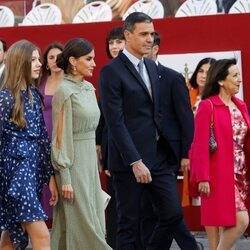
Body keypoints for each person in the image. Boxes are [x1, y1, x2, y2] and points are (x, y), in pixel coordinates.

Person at [99, 12, 199, 250]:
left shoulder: (153, 69)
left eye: (151, 34)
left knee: (173, 213)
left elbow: (158, 115)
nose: (149, 39)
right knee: (129, 225)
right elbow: (115, 122)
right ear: (127, 35)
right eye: (143, 34)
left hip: (159, 157)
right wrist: (135, 161)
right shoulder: (111, 72)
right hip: (128, 162)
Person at [50, 38, 111, 250]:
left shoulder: (88, 88)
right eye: (89, 59)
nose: (94, 63)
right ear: (73, 61)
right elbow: (60, 138)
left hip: (90, 165)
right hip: (72, 167)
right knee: (83, 225)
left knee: (95, 221)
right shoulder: (64, 92)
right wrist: (64, 176)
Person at [142, 31, 198, 250]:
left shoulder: (173, 78)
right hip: (140, 154)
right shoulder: (130, 77)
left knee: (170, 210)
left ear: (155, 49)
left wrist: (185, 154)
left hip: (167, 154)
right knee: (150, 211)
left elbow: (185, 119)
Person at [0, 40, 58, 250]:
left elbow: (43, 139)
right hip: (14, 175)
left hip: (31, 172)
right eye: (32, 59)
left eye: (38, 59)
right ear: (19, 62)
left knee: (12, 237)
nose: (38, 64)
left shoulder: (34, 96)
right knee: (42, 236)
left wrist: (50, 178)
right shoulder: (5, 98)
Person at [189, 58, 250, 250]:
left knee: (229, 224)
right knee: (241, 221)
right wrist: (203, 178)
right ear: (221, 81)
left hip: (241, 173)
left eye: (239, 75)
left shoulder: (240, 105)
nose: (239, 79)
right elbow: (199, 145)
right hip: (219, 174)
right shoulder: (208, 106)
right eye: (235, 75)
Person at [96, 26, 125, 249]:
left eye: (118, 41)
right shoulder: (107, 72)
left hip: (137, 146)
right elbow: (103, 116)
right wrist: (100, 145)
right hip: (111, 146)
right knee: (115, 200)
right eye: (111, 43)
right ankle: (113, 243)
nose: (114, 46)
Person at [39, 42, 64, 222]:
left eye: (59, 57)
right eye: (51, 57)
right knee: (46, 181)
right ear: (46, 63)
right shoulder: (39, 82)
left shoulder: (72, 82)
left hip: (63, 139)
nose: (55, 61)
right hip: (42, 138)